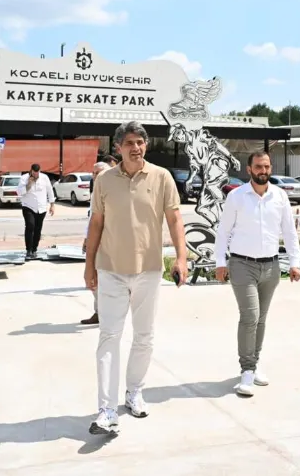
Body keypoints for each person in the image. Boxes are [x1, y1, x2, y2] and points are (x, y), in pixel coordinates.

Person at [83, 121, 188, 435]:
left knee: (144, 337)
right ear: (118, 148)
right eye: (129, 142)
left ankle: (134, 392)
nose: (135, 147)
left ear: (146, 145)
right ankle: (106, 410)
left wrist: (181, 258)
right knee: (109, 337)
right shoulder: (104, 181)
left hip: (149, 270)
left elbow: (174, 218)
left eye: (140, 142)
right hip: (111, 269)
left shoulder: (161, 177)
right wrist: (89, 266)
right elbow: (96, 224)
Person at [213, 150, 300, 397]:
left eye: (267, 167)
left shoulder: (280, 196)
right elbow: (223, 232)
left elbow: (289, 232)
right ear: (249, 170)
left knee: (261, 318)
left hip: (271, 266)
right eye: (258, 167)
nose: (263, 171)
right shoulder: (237, 197)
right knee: (250, 316)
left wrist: (295, 262)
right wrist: (220, 262)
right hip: (242, 265)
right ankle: (247, 371)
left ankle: (255, 361)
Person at [81, 161, 112, 326]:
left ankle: (107, 313)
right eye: (93, 173)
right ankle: (99, 312)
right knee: (93, 278)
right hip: (95, 241)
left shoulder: (114, 191)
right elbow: (91, 220)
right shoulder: (95, 192)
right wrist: (87, 238)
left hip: (109, 242)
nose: (95, 176)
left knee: (107, 280)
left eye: (98, 173)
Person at [17, 163, 55, 260]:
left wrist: (52, 204)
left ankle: (34, 249)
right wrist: (29, 184)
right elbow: (19, 192)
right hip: (28, 207)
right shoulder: (24, 178)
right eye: (34, 173)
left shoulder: (44, 177)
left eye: (37, 173)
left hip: (41, 208)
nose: (36, 175)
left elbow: (50, 190)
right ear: (31, 171)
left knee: (38, 229)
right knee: (30, 226)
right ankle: (28, 250)